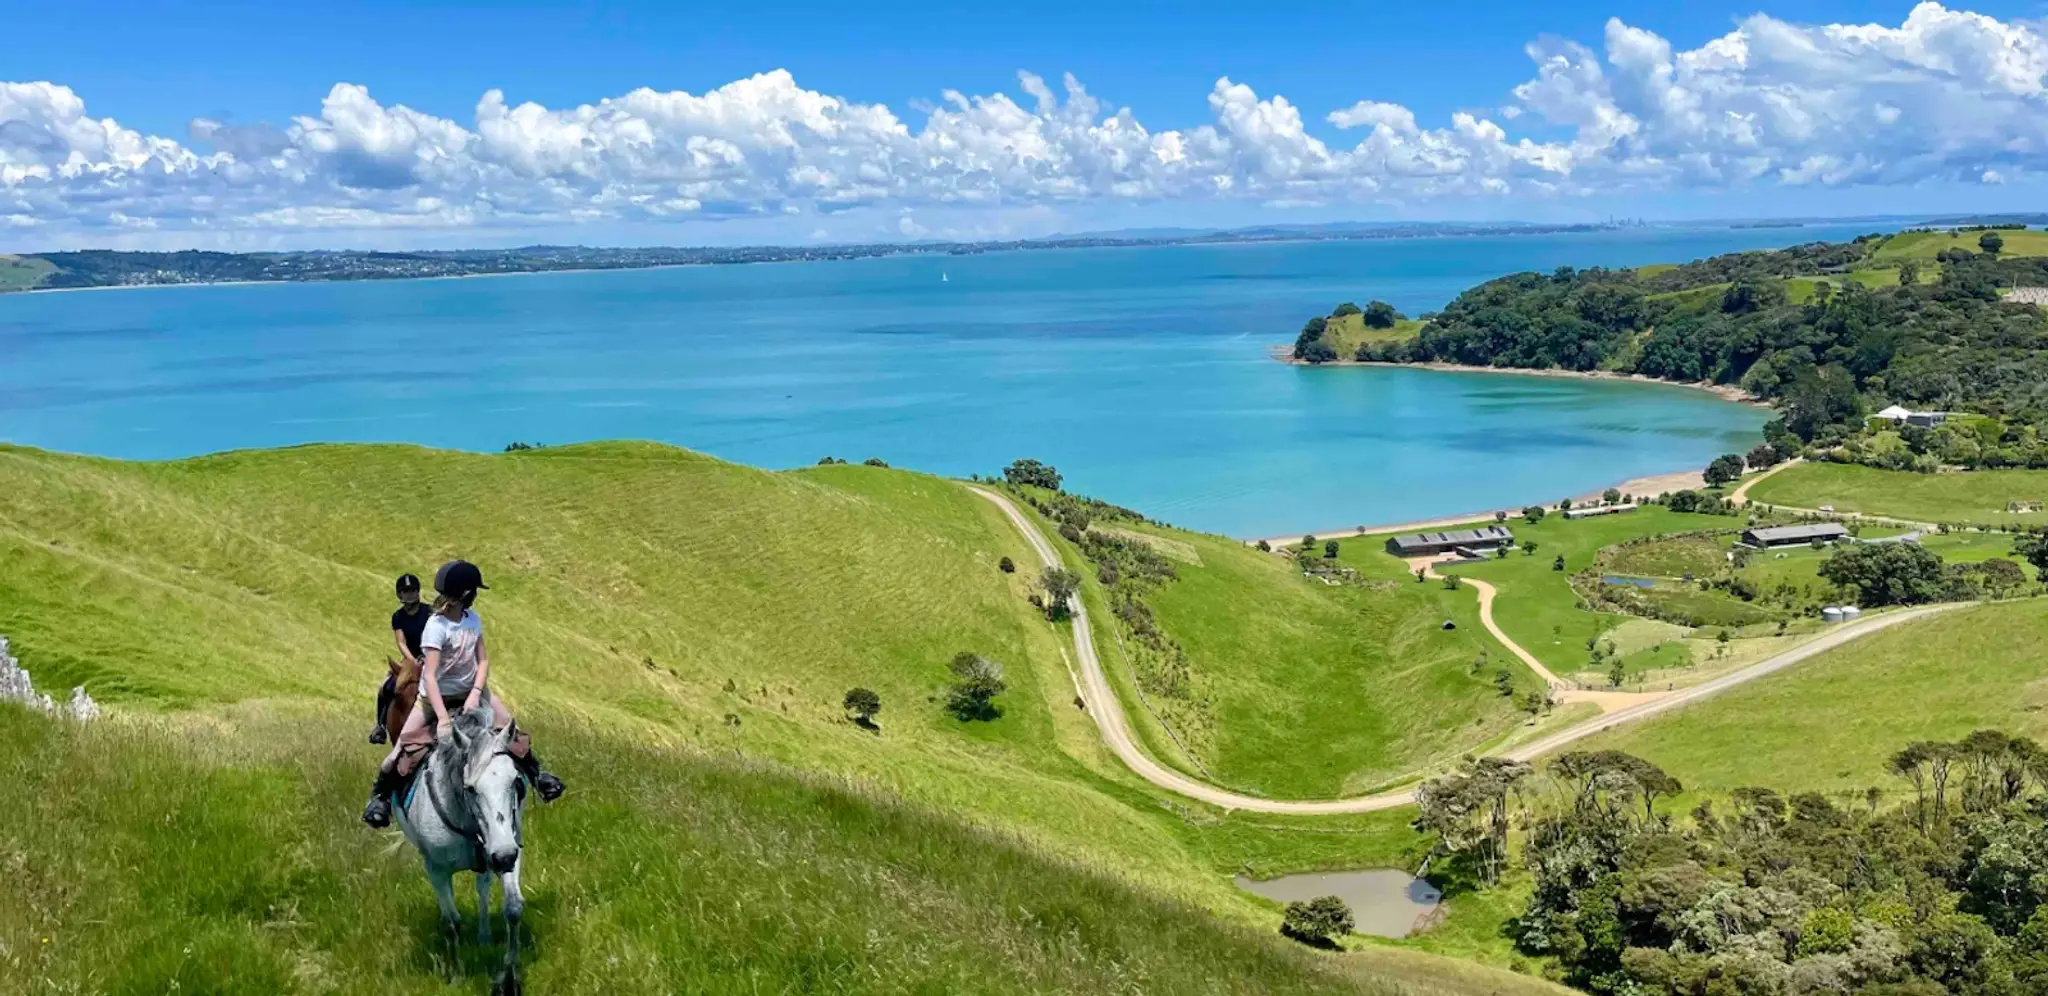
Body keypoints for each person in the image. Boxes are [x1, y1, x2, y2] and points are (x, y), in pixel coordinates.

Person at [362, 560, 565, 828]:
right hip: (434, 698)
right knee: (399, 749)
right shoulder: (436, 626)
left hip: (472, 690)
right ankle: (380, 798)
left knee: (512, 731)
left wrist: (475, 693)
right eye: (474, 591)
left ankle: (540, 777)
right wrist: (444, 719)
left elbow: (482, 661)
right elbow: (431, 678)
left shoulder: (473, 620)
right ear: (465, 594)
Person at [370, 573, 431, 744]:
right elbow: (401, 641)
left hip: (431, 656)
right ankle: (380, 726)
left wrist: (426, 656)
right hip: (409, 659)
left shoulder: (429, 612)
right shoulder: (398, 617)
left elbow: (435, 636)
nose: (410, 594)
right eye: (405, 591)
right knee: (386, 686)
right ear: (399, 595)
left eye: (413, 590)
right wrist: (412, 660)